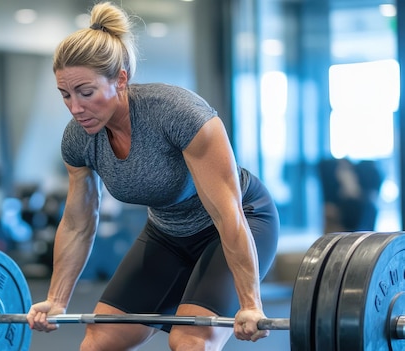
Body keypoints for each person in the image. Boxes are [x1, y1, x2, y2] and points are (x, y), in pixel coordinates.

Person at [26, 2, 280, 350]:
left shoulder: (178, 115)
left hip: (239, 223)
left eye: (86, 93)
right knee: (96, 343)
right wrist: (56, 299)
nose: (75, 107)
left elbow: (227, 213)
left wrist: (251, 304)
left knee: (189, 341)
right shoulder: (79, 138)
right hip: (167, 234)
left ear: (120, 79)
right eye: (65, 95)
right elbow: (77, 222)